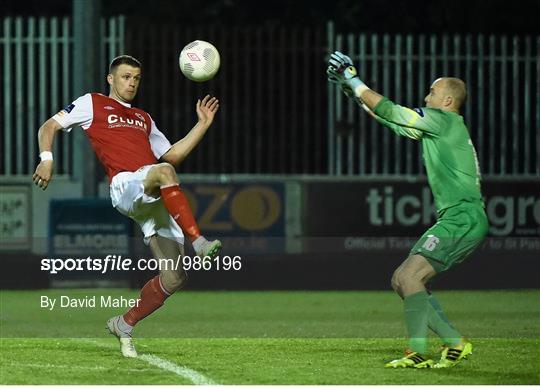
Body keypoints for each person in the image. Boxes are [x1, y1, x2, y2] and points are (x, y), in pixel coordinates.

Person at [32, 55, 222, 357]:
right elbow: (49, 126)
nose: (131, 82)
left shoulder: (144, 118)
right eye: (125, 77)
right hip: (125, 185)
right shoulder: (92, 103)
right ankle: (199, 241)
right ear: (111, 79)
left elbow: (171, 155)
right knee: (164, 173)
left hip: (153, 192)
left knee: (175, 277)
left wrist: (202, 125)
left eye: (136, 78)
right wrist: (47, 159)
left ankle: (124, 323)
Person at [327, 52, 489, 369]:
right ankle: (455, 342)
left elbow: (391, 109)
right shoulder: (439, 125)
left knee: (410, 277)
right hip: (460, 219)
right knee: (401, 279)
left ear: (446, 101)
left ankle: (421, 350)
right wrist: (352, 91)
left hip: (463, 219)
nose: (425, 97)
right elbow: (390, 117)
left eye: (431, 92)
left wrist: (355, 79)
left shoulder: (443, 121)